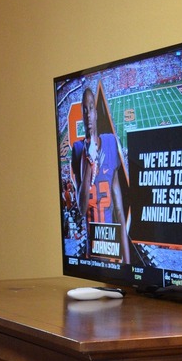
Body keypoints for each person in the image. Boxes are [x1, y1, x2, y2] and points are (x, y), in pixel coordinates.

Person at [71, 84, 129, 263]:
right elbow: (81, 208)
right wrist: (89, 160)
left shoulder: (110, 143)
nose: (88, 114)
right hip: (92, 253)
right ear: (82, 115)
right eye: (84, 110)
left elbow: (119, 209)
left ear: (96, 113)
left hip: (111, 247)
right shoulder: (78, 149)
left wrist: (128, 265)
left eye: (90, 109)